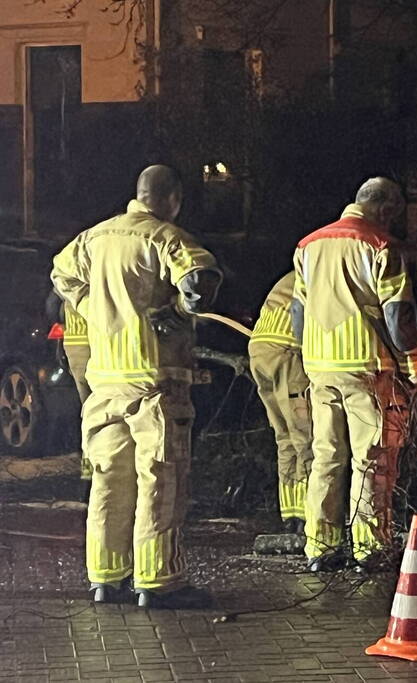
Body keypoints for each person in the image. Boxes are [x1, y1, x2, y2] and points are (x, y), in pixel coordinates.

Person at [51, 165, 222, 607]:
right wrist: (182, 310)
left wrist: (95, 308)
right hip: (155, 384)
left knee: (109, 481)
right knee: (160, 481)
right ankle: (158, 581)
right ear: (173, 199)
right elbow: (200, 281)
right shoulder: (164, 236)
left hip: (106, 383)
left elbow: (61, 275)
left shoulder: (93, 239)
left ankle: (106, 579)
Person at [292, 177, 417, 569]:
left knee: (326, 456)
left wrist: (312, 355)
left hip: (319, 367)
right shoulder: (380, 245)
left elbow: (298, 314)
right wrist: (416, 366)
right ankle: (370, 548)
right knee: (371, 458)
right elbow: (398, 316)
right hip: (366, 365)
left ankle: (321, 547)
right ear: (385, 209)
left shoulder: (308, 245)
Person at [249, 271, 312, 535]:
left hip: (260, 349)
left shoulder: (299, 270)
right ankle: (311, 515)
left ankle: (292, 515)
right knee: (306, 436)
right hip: (287, 349)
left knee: (285, 437)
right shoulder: (322, 270)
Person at [46, 289, 93, 498]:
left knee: (89, 415)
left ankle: (89, 475)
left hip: (75, 347)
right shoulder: (103, 264)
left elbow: (52, 308)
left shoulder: (70, 265)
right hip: (103, 349)